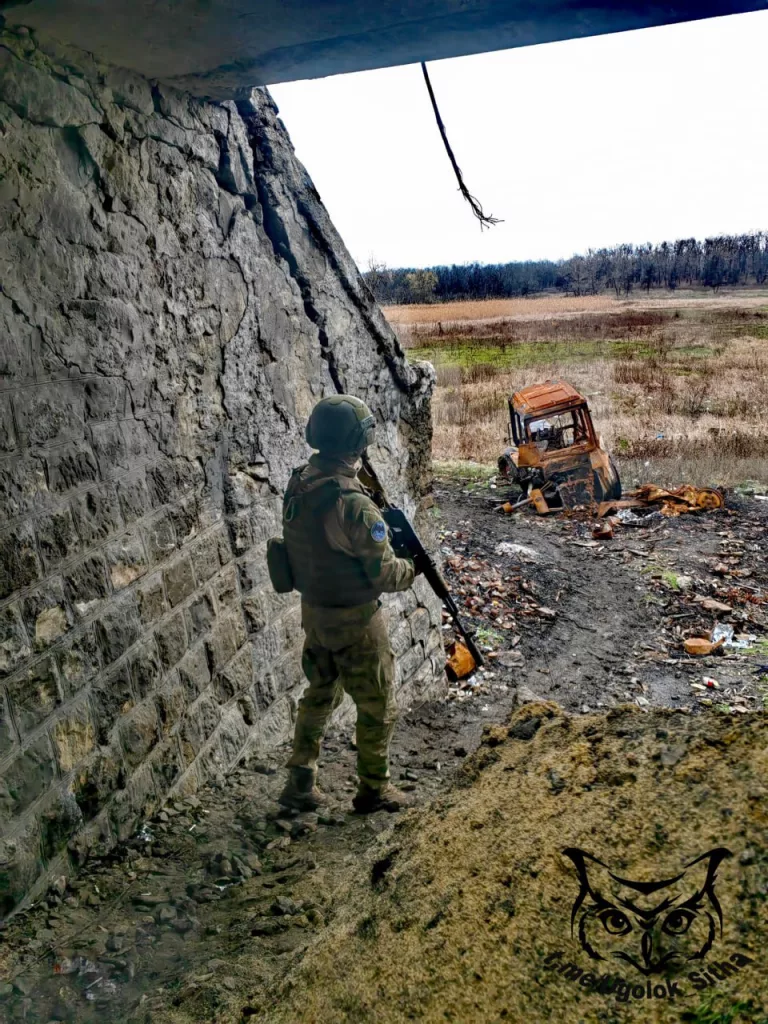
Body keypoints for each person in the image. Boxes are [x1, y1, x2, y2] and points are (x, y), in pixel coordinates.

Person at [277, 395, 417, 814]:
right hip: (355, 620)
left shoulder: (300, 481)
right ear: (358, 442)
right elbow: (384, 574)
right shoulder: (354, 504)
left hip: (315, 612)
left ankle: (299, 781)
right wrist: (413, 569)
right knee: (377, 704)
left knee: (319, 694)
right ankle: (374, 788)